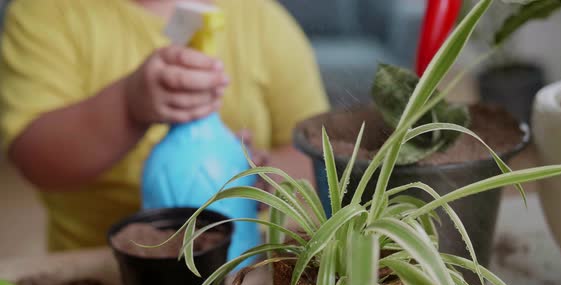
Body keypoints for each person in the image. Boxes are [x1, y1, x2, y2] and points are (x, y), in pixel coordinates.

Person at [0, 0, 328, 251]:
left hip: (242, 262)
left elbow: (316, 153)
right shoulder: (46, 12)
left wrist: (263, 176)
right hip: (92, 259)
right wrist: (127, 107)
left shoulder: (261, 18)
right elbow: (36, 157)